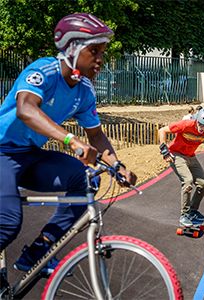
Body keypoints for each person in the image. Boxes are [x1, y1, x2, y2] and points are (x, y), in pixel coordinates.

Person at [1, 13, 139, 274]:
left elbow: (96, 136)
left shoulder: (84, 90)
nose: (100, 60)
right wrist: (71, 140)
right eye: (94, 51)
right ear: (73, 49)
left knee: (88, 178)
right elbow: (26, 109)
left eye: (102, 53)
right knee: (7, 222)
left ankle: (38, 252)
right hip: (1, 153)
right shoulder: (44, 71)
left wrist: (117, 166)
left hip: (30, 155)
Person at [158, 106, 204, 227]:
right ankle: (184, 215)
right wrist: (164, 151)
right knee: (187, 181)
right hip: (176, 154)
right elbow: (162, 130)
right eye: (200, 124)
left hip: (191, 156)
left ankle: (193, 211)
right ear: (196, 120)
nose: (201, 128)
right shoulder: (186, 124)